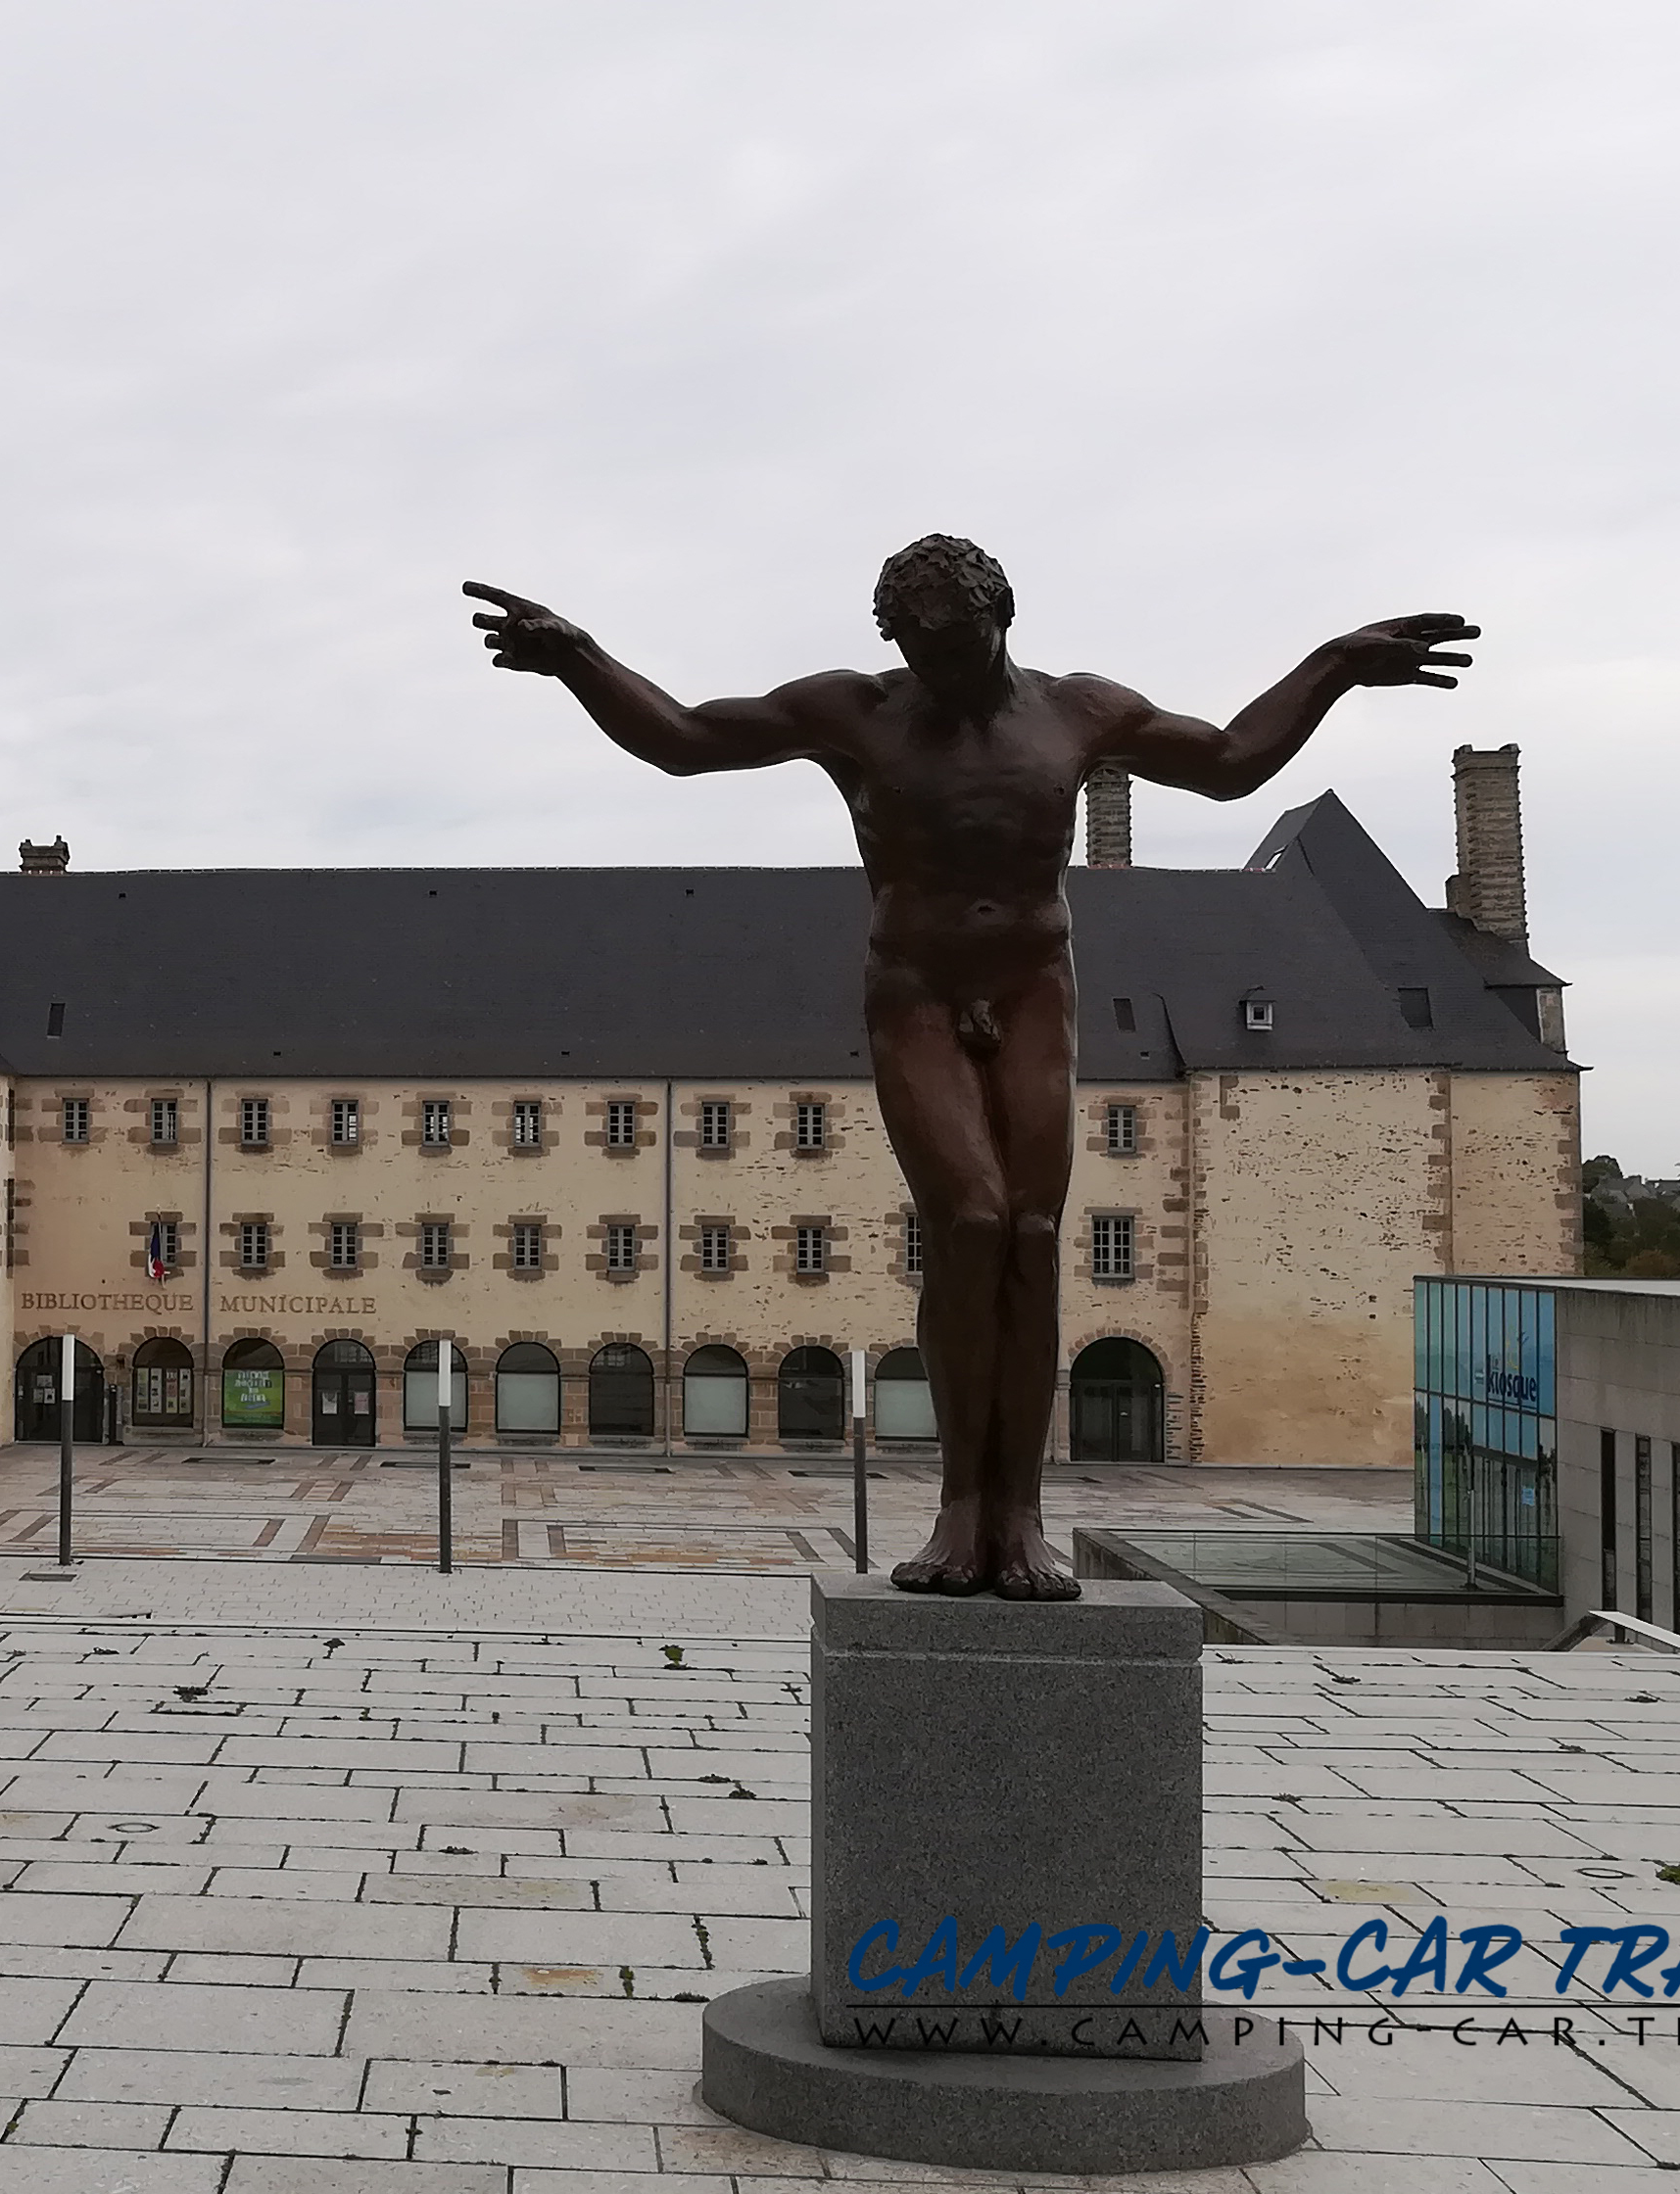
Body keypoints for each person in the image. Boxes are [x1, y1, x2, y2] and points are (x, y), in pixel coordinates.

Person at [464, 539, 1473, 1598]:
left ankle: (1018, 1512)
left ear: (1001, 618)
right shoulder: (855, 710)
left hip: (1036, 984)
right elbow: (681, 740)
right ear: (891, 642)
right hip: (915, 991)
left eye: (953, 651)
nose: (936, 674)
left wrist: (1330, 664)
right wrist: (576, 656)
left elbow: (1225, 762)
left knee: (1033, 1237)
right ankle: (959, 1502)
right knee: (971, 1219)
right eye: (915, 652)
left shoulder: (1077, 713)